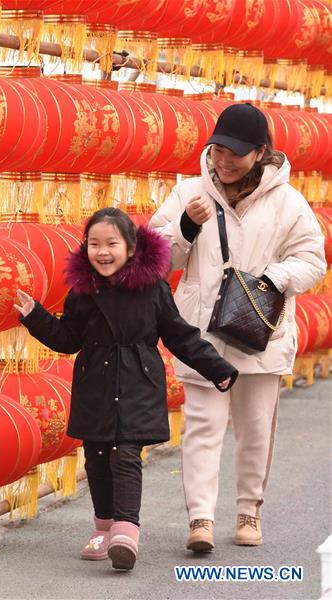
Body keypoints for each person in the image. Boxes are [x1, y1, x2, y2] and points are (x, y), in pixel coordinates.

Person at [14, 207, 238, 571]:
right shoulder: (82, 293)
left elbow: (180, 335)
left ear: (131, 248)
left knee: (125, 456)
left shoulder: (152, 289)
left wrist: (217, 368)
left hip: (137, 384)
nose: (102, 252)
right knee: (97, 459)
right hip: (95, 387)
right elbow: (68, 339)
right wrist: (36, 317)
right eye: (94, 244)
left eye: (111, 244)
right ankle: (103, 529)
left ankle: (126, 530)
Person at [149, 102, 326, 552]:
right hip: (201, 335)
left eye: (236, 153)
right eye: (218, 150)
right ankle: (201, 521)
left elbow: (312, 262)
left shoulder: (288, 202)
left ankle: (249, 511)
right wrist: (186, 226)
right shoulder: (188, 192)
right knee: (203, 427)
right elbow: (155, 260)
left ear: (260, 153)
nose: (224, 161)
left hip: (259, 333)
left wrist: (273, 279)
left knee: (255, 428)